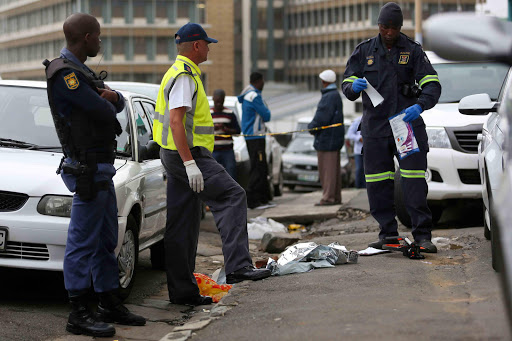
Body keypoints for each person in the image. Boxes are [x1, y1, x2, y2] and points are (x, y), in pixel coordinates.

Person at [153, 23, 271, 306]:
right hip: (187, 155)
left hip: (175, 155)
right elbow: (176, 121)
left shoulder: (181, 73)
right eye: (206, 44)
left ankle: (183, 292)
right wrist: (190, 163)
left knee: (183, 223)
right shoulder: (184, 76)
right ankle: (238, 267)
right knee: (233, 195)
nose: (208, 48)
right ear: (196, 46)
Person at [44, 13, 145, 338]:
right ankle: (78, 312)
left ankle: (107, 302)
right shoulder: (65, 74)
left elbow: (113, 104)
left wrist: (113, 97)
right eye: (98, 36)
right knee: (81, 242)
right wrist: (109, 98)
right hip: (86, 169)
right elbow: (101, 108)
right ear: (87, 37)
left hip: (102, 168)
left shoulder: (82, 72)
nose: (100, 42)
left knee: (105, 242)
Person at [341, 2, 441, 253]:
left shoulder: (413, 50)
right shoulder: (364, 51)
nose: (388, 32)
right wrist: (353, 87)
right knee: (377, 183)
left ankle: (422, 236)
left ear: (400, 27)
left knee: (414, 182)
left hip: (405, 126)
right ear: (379, 25)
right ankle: (388, 234)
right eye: (385, 27)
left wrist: (420, 105)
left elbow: (432, 84)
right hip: (375, 129)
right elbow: (347, 84)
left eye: (393, 28)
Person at [238, 72, 275, 210]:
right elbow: (267, 115)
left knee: (262, 166)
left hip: (255, 136)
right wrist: (266, 110)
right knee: (258, 168)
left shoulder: (249, 94)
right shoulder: (254, 96)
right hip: (255, 137)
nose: (264, 83)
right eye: (263, 80)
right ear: (259, 81)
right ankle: (253, 201)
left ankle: (263, 199)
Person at [308, 69, 345, 206]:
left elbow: (321, 118)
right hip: (334, 139)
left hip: (327, 140)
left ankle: (328, 198)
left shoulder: (328, 97)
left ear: (324, 82)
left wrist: (311, 127)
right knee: (334, 170)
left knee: (327, 171)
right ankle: (335, 197)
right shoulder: (335, 95)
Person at [211, 89, 241, 180]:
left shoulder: (230, 113)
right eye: (217, 102)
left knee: (230, 174)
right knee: (213, 175)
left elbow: (238, 131)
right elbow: (202, 132)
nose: (219, 104)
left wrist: (225, 129)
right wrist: (213, 128)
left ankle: (230, 194)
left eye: (221, 102)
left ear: (224, 100)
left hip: (227, 151)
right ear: (213, 99)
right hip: (213, 151)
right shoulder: (208, 113)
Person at [346, 116, 365, 189]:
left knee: (367, 170)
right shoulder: (357, 120)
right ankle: (358, 187)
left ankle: (365, 187)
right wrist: (359, 138)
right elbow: (349, 134)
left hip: (369, 150)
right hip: (359, 151)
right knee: (359, 169)